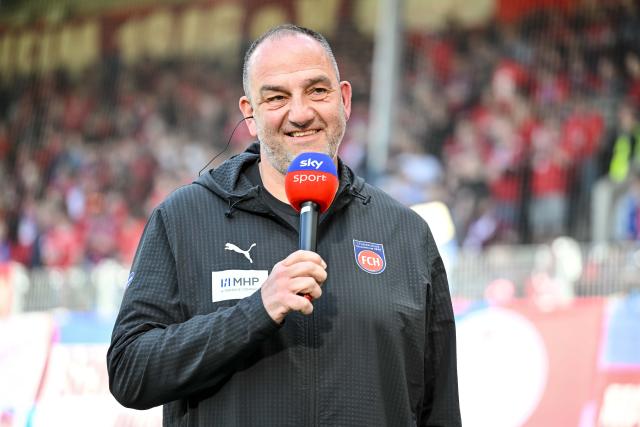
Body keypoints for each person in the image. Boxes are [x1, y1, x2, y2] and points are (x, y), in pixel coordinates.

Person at [107, 24, 461, 426]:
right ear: (250, 114)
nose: (300, 113)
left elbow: (441, 409)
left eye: (317, 91)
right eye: (276, 97)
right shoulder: (183, 219)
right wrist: (256, 310)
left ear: (344, 99)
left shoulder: (406, 234)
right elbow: (129, 371)